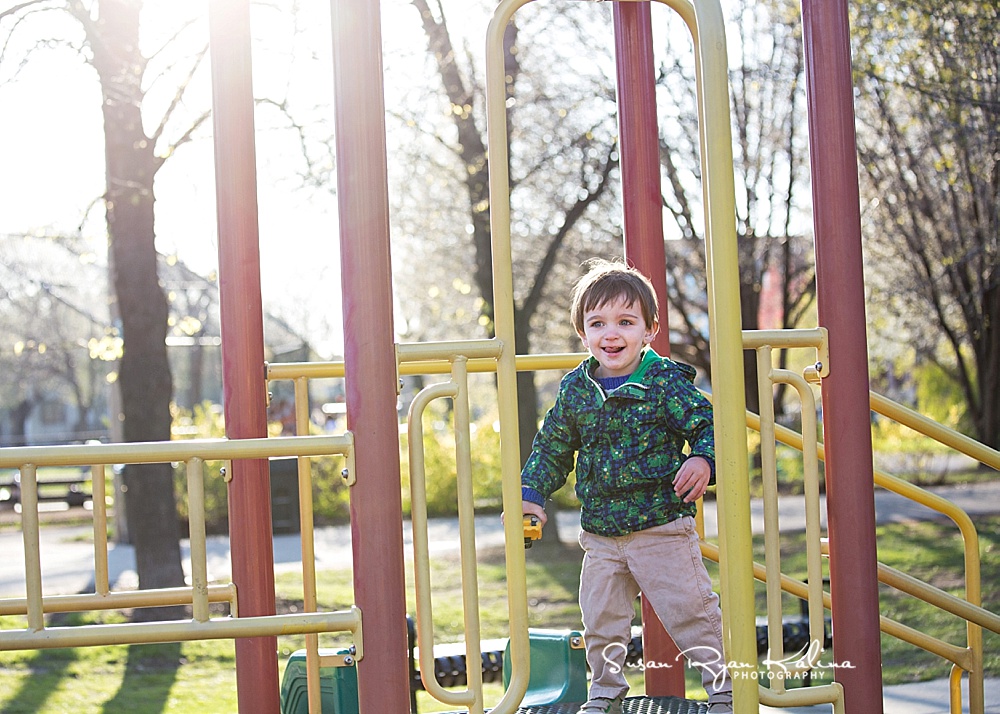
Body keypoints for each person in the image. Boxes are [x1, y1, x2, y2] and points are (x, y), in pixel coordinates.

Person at [519, 259, 733, 714]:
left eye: (625, 322)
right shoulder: (576, 390)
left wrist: (703, 457)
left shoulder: (663, 383)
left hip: (661, 529)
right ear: (583, 333)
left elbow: (710, 423)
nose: (610, 333)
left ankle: (724, 688)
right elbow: (553, 446)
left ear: (649, 330)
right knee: (600, 619)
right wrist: (531, 495)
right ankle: (606, 690)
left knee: (691, 613)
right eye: (597, 323)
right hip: (600, 535)